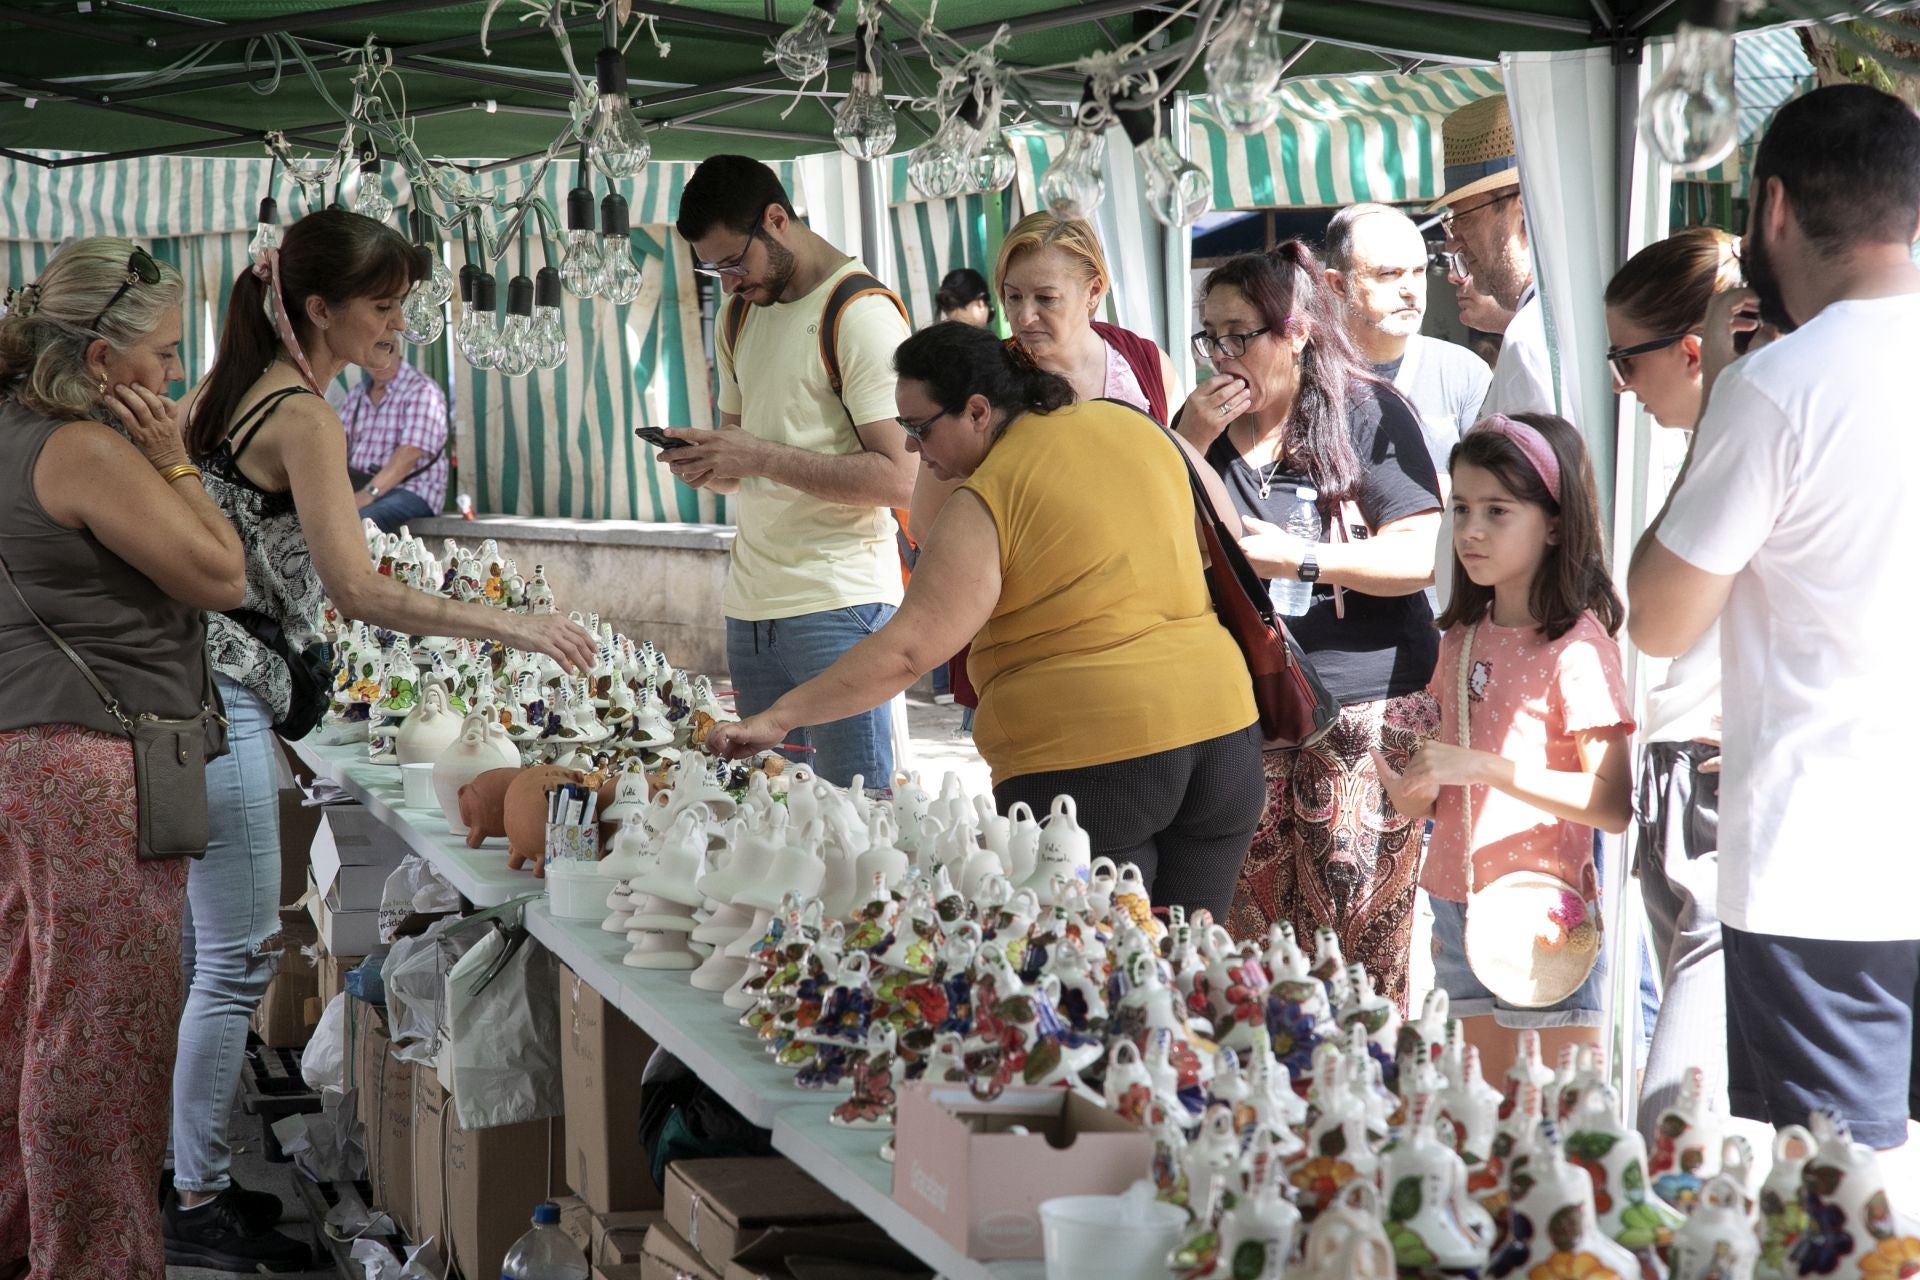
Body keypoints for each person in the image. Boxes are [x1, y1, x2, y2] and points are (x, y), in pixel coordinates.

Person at [167, 209, 594, 1273]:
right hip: (226, 690)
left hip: (203, 682)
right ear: (320, 308)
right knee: (236, 958)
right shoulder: (302, 415)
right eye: (385, 306)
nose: (401, 326)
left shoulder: (237, 387)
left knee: (211, 951)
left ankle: (193, 1173)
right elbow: (356, 587)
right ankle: (197, 1192)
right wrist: (514, 624)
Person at [709, 323, 1263, 922]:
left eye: (920, 429)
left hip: (1094, 757)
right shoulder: (1135, 425)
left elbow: (906, 652)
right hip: (1224, 734)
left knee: (1095, 972)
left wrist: (780, 717)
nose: (915, 450)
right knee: (1194, 960)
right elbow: (1227, 536)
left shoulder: (988, 498)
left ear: (978, 410)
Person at [1627, 85, 1920, 1187]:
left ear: (1775, 208)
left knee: (1837, 1201)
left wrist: (1717, 406)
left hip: (1823, 863)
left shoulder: (1774, 388)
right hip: (1867, 852)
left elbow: (1658, 614)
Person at [0, 238, 246, 1279]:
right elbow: (221, 573)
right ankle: (95, 1260)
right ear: (101, 361)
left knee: (28, 1013)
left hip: (26, 756)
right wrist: (177, 460)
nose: (174, 377)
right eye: (163, 354)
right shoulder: (86, 451)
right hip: (95, 763)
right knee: (100, 1036)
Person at [1175, 242, 1443, 1008]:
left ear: (1294, 333)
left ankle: (1362, 1109)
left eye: (1239, 335)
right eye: (1210, 337)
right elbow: (1149, 540)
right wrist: (1185, 441)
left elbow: (1420, 554)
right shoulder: (1201, 433)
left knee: (1352, 945)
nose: (1222, 356)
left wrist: (1299, 559)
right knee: (1245, 936)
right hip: (1244, 706)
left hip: (1362, 702)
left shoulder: (1367, 411)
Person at [1379, 413, 1634, 1081]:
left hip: (1542, 913)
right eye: (1461, 508)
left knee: (1551, 1123)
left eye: (1497, 510)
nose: (1471, 530)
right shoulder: (1462, 633)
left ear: (1553, 524)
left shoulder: (1577, 646)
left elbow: (1611, 802)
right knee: (1478, 1119)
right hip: (1456, 902)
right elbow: (1449, 784)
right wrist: (1417, 797)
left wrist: (1483, 768)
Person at [662, 155, 915, 788]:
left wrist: (759, 457)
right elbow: (741, 468)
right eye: (711, 268)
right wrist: (707, 463)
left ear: (778, 220)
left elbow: (903, 478)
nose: (726, 282)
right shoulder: (740, 314)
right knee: (769, 818)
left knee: (856, 826)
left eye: (733, 263)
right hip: (751, 607)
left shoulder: (859, 314)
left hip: (841, 606)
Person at [1604, 226, 1761, 1142]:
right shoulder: (1729, 429)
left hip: (1717, 784)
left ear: (1691, 349)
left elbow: (1656, 612)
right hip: (1683, 776)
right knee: (1701, 1119)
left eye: (1627, 361)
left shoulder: (1750, 431)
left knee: (1678, 1124)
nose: (1623, 385)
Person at [1322, 202, 1490, 478]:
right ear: (1339, 285)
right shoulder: (1310, 374)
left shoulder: (1463, 373)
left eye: (1419, 271)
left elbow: (1490, 483)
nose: (1410, 290)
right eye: (1389, 274)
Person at [1433, 97, 1551, 420]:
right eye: (1451, 222)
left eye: (1465, 218)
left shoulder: (1529, 337)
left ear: (1520, 208)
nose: (1454, 242)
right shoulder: (1553, 320)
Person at [340, 352, 449, 533]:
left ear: (398, 350)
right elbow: (340, 447)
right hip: (361, 482)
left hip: (411, 488)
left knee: (363, 521)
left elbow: (410, 453)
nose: (382, 361)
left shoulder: (421, 389)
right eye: (376, 353)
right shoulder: (357, 394)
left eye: (388, 351)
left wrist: (368, 494)